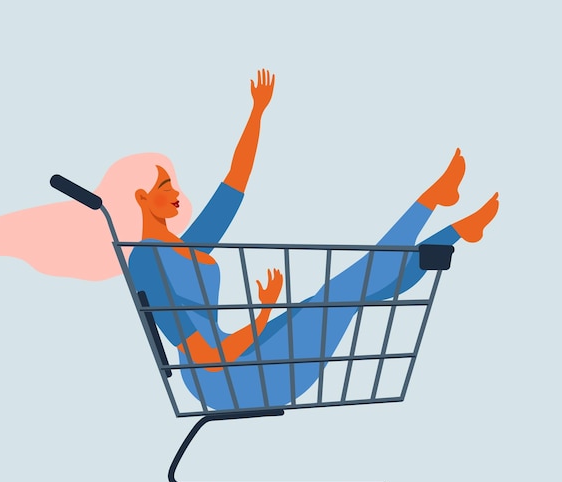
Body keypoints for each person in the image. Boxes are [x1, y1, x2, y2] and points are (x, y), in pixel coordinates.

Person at [128, 69, 499, 410]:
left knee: (345, 293)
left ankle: (445, 223)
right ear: (141, 199)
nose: (177, 191)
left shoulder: (185, 246)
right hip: (230, 380)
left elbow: (233, 185)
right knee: (344, 293)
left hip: (246, 357)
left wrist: (256, 112)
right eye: (165, 186)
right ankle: (437, 211)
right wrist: (265, 311)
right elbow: (207, 359)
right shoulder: (148, 261)